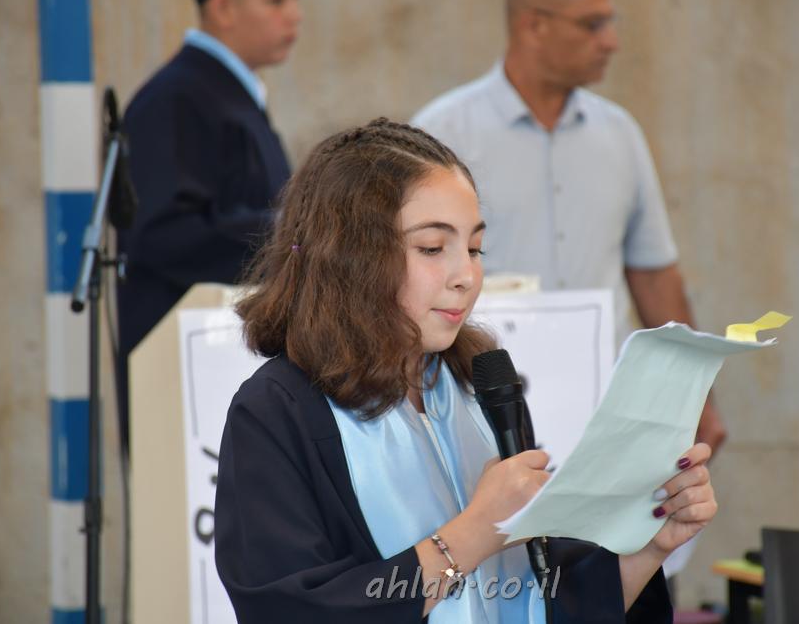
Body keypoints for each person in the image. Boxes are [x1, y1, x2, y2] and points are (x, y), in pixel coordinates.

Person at [214, 118, 718, 623]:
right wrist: (476, 531)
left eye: (475, 249)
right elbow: (290, 610)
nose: (467, 276)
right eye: (433, 248)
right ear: (350, 255)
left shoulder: (477, 390)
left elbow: (542, 601)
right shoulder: (278, 411)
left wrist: (650, 544)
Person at [411, 0, 726, 450]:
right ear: (534, 25)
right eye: (592, 24)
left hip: (609, 409)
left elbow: (653, 275)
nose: (611, 42)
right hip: (483, 402)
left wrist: (697, 394)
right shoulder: (442, 133)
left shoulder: (620, 133)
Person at [115, 0, 301, 447]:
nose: (295, 15)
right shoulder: (175, 98)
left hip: (230, 365)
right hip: (186, 376)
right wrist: (292, 232)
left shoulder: (227, 93)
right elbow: (163, 232)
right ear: (223, 7)